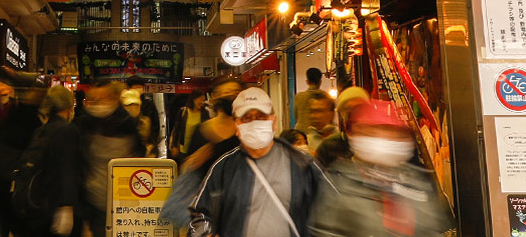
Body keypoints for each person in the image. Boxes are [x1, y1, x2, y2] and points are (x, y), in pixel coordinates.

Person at [189, 86, 330, 237]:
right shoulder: (223, 168)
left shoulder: (302, 164)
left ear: (274, 122)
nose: (254, 123)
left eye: (261, 117)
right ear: (237, 125)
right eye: (247, 118)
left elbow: (331, 210)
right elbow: (199, 215)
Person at [310, 100, 452, 237]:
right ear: (353, 134)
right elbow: (325, 230)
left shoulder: (416, 182)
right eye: (373, 131)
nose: (384, 138)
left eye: (393, 132)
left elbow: (432, 228)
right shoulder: (339, 184)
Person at [13, 86, 84, 237]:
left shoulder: (40, 131)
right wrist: (67, 206)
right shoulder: (67, 130)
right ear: (69, 106)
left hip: (38, 204)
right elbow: (68, 169)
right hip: (57, 205)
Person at [76, 81, 144, 237]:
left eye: (102, 99)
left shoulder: (126, 125)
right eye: (93, 100)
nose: (97, 105)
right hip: (94, 201)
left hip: (124, 201)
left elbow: (139, 156)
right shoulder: (83, 124)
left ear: (114, 99)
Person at [0, 84, 44, 237]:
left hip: (1, 180)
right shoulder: (33, 121)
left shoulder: (12, 114)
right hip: (18, 182)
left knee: (2, 222)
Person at [169, 91, 206, 164]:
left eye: (204, 100)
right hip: (184, 149)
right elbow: (177, 129)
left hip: (198, 150)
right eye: (201, 99)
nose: (202, 102)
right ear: (194, 99)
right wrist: (174, 146)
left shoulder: (205, 113)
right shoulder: (183, 111)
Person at [122, 87, 157, 157]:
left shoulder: (146, 122)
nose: (133, 108)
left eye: (136, 105)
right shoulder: (118, 123)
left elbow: (151, 141)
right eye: (129, 105)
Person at [293, 68, 325, 133]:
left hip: (301, 133)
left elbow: (296, 117)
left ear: (307, 81)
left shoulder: (299, 97)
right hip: (319, 134)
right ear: (320, 82)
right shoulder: (325, 97)